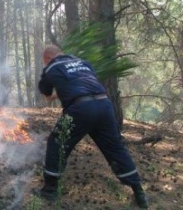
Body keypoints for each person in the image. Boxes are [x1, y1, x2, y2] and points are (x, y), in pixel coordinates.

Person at [35, 44, 148, 208]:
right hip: (104, 105)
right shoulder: (83, 63)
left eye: (44, 62)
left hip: (80, 109)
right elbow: (81, 83)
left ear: (48, 59)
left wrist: (50, 96)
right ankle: (139, 192)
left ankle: (50, 191)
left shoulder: (53, 66)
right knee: (115, 148)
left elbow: (45, 89)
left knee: (57, 142)